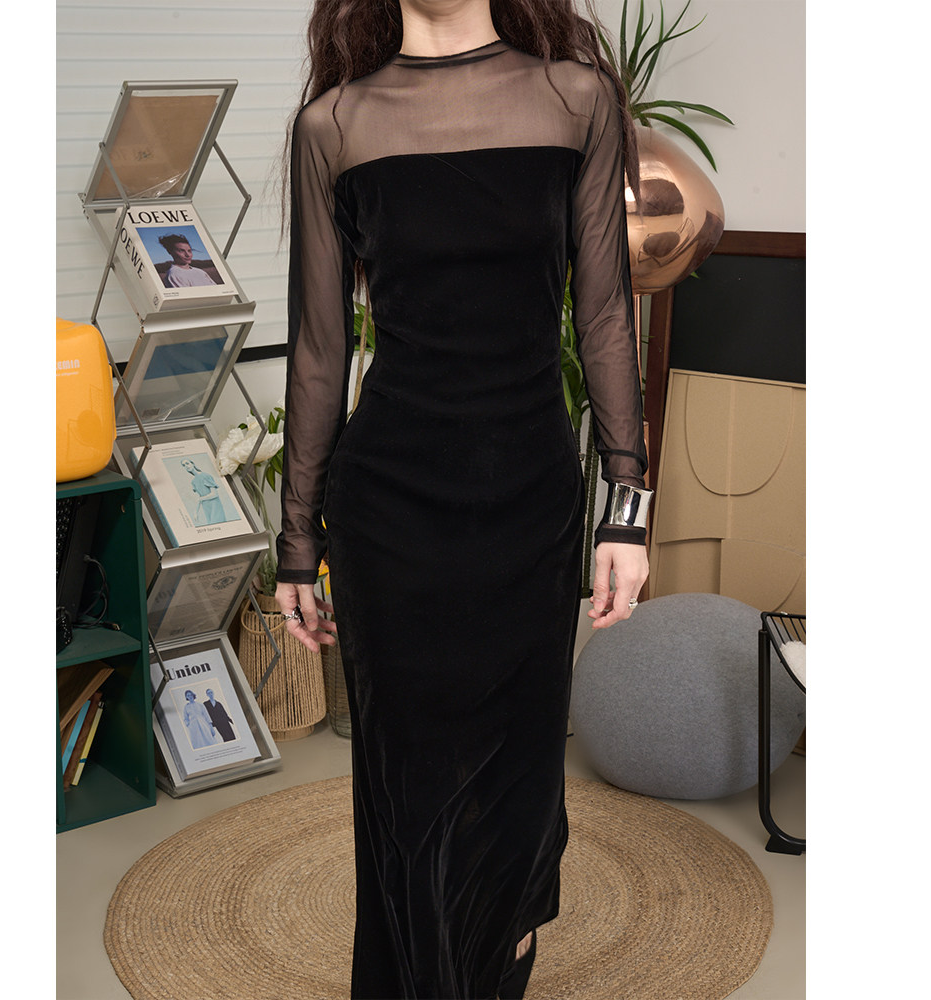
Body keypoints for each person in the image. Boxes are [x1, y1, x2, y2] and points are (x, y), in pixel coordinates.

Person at [273, 2, 652, 997]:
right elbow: (320, 349)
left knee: (516, 801)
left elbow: (605, 313)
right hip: (390, 513)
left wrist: (626, 508)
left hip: (529, 505)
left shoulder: (575, 100)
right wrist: (296, 539)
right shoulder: (334, 126)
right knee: (405, 798)